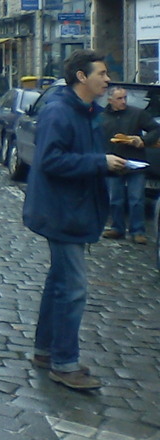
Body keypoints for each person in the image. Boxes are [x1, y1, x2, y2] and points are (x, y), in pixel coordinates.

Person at [22, 50, 125, 391]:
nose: (107, 80)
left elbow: (83, 154)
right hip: (62, 211)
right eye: (102, 73)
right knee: (74, 288)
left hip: (76, 208)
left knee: (59, 283)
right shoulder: (59, 111)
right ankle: (64, 364)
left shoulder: (90, 111)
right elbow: (50, 160)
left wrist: (107, 160)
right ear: (82, 77)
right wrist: (100, 162)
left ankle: (45, 350)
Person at [100, 86, 160, 244]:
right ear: (110, 100)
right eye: (119, 99)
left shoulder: (137, 114)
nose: (123, 101)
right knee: (115, 199)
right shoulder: (101, 116)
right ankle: (117, 228)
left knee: (136, 199)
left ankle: (138, 231)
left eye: (125, 98)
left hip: (135, 163)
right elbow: (96, 138)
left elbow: (155, 129)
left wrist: (143, 141)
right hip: (113, 163)